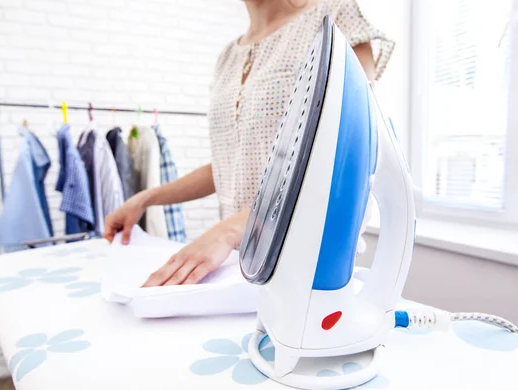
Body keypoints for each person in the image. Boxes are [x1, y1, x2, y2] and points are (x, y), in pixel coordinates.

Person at [103, 0, 395, 286]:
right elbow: (229, 166)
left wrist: (235, 227)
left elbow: (347, 158)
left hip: (309, 262)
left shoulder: (334, 18)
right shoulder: (228, 56)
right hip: (238, 265)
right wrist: (143, 199)